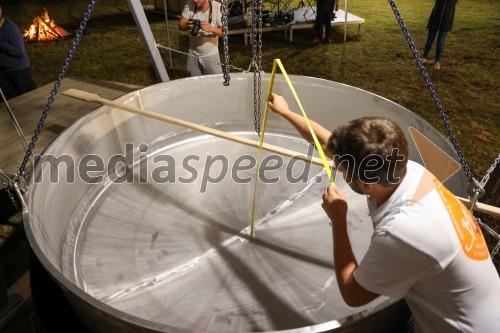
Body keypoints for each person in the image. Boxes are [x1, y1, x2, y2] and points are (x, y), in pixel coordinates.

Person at [267, 92, 500, 333]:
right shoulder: (406, 168)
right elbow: (328, 144)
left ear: (367, 184)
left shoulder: (404, 229)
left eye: (343, 171)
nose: (340, 172)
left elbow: (352, 292)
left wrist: (338, 218)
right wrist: (287, 113)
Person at [0, 4, 36, 100]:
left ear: (0, 10)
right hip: (3, 71)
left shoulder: (10, 27)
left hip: (18, 70)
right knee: (11, 102)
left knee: (29, 99)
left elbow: (19, 51)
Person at [178, 0, 223, 76]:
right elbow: (181, 25)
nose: (195, 0)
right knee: (194, 85)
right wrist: (187, 26)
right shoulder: (190, 3)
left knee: (214, 84)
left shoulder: (218, 7)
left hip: (211, 54)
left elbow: (224, 33)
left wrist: (211, 28)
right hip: (193, 53)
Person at [422, 0, 458, 70]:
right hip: (440, 15)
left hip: (445, 17)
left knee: (438, 39)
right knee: (433, 38)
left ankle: (434, 61)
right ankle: (429, 59)